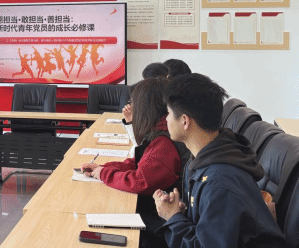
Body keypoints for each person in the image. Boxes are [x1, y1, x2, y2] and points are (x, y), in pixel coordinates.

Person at [154, 73, 285, 248]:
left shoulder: (219, 181)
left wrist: (173, 218)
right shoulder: (206, 157)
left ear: (185, 121)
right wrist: (181, 214)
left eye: (169, 113)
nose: (166, 119)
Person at [82, 78, 189, 247]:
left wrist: (104, 173)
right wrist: (104, 168)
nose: (131, 107)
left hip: (159, 224)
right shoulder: (159, 133)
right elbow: (139, 162)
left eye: (134, 103)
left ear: (144, 108)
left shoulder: (164, 143)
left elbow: (140, 181)